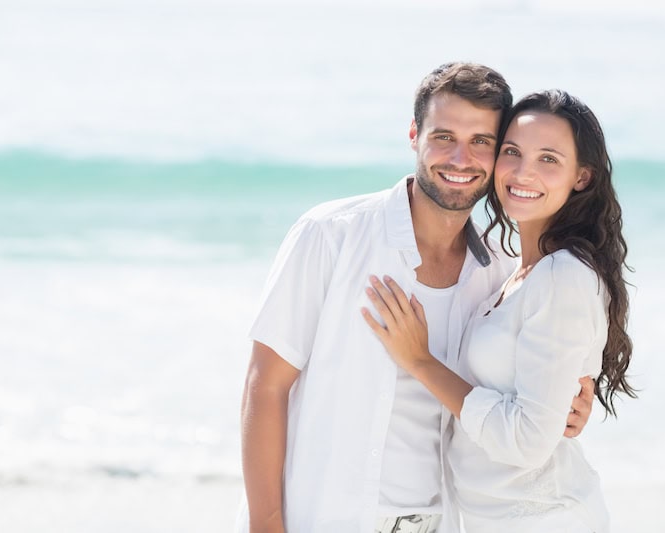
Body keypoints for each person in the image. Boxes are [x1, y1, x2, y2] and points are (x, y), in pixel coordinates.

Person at [238, 64, 595, 533]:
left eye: (481, 142)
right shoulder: (331, 235)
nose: (460, 158)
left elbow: (523, 399)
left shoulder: (500, 275)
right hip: (323, 516)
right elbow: (265, 386)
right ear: (414, 135)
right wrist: (265, 525)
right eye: (443, 136)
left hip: (438, 521)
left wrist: (570, 404)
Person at [362, 90, 635, 532]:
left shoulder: (563, 275)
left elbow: (527, 442)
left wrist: (419, 361)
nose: (524, 172)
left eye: (549, 159)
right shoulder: (513, 273)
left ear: (581, 177)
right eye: (512, 152)